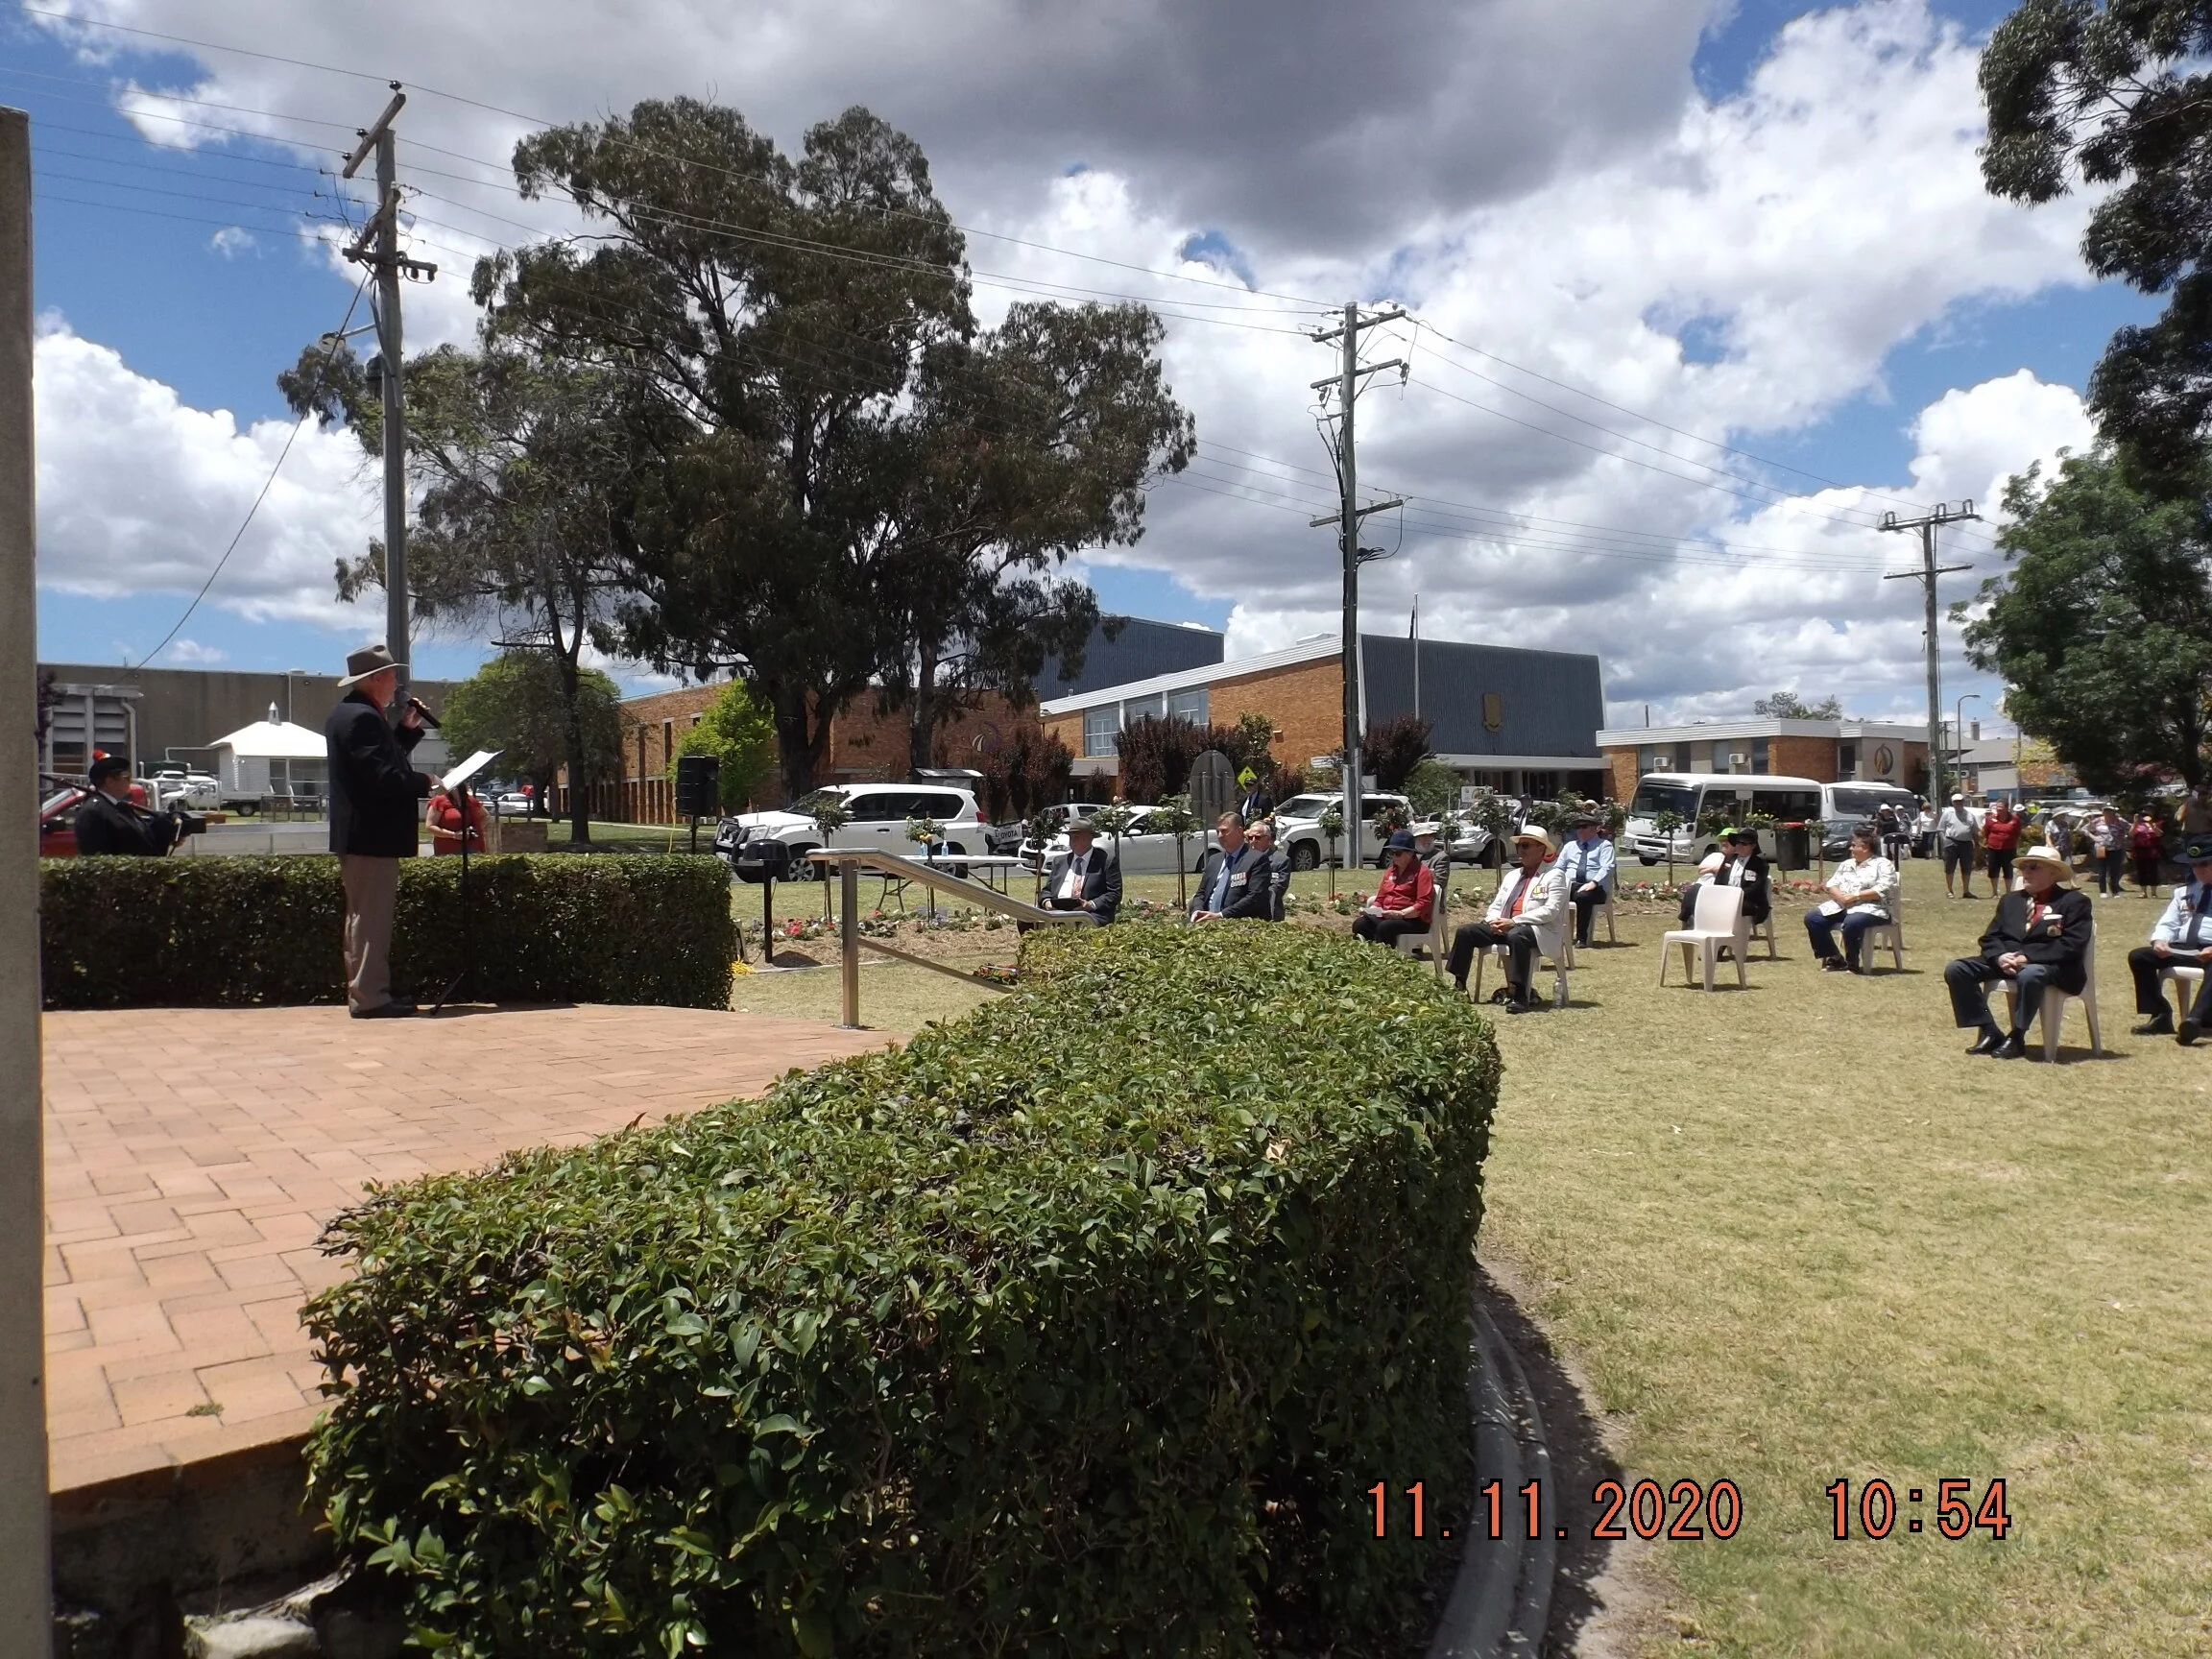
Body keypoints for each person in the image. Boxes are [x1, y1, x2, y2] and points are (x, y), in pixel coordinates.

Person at [326, 642, 437, 1019]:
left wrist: (404, 734)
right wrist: (428, 782)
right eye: (391, 675)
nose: (396, 682)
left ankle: (367, 990)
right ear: (374, 679)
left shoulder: (353, 714)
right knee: (371, 920)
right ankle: (371, 997)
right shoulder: (361, 718)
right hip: (370, 838)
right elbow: (383, 778)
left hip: (362, 838)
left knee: (363, 919)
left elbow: (379, 763)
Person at [1945, 844, 2094, 1059]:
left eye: (2033, 867)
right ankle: (1989, 1030)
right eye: (2023, 868)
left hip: (2054, 967)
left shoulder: (2074, 902)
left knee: (2031, 973)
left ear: (2053, 872)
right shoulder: (2011, 900)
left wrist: (2029, 957)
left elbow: (2072, 944)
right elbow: (1990, 937)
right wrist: (1999, 956)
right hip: (2009, 961)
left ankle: (2017, 1036)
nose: (2026, 872)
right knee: (1957, 969)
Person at [1447, 827, 1567, 1013]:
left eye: (1525, 846)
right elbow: (1497, 905)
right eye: (1519, 846)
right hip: (1506, 926)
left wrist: (1515, 921)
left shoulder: (1554, 875)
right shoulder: (1512, 875)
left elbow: (1550, 911)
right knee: (1466, 932)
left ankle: (1519, 995)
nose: (1520, 851)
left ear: (1541, 849)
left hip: (1538, 930)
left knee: (1518, 935)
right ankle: (1459, 986)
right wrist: (1493, 921)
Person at [2128, 833, 2212, 1044]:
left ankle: (2195, 1020)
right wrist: (2160, 940)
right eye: (2194, 865)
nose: (2199, 870)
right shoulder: (2184, 892)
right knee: (2140, 957)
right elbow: (2169, 922)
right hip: (2186, 948)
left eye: (2205, 864)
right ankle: (2160, 1014)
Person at [1803, 825, 1898, 974]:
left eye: (1854, 846)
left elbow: (1885, 888)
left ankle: (1852, 962)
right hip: (1843, 905)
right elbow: (1831, 884)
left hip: (1873, 909)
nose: (1850, 849)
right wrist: (1840, 896)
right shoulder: (1847, 864)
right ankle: (1835, 957)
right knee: (1813, 918)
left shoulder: (1883, 864)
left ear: (1866, 848)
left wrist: (1857, 896)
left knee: (1852, 921)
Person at [72, 755, 184, 856]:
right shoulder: (93, 812)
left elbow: (139, 836)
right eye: (126, 778)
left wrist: (167, 835)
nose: (130, 782)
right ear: (109, 781)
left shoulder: (119, 806)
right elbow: (96, 856)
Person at [1352, 830, 1435, 949]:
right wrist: (1371, 910)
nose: (1394, 857)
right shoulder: (1390, 871)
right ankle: (1365, 959)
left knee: (1386, 927)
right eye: (1391, 852)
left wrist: (1401, 914)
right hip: (1388, 915)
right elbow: (1380, 899)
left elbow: (1423, 904)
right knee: (1361, 924)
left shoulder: (1422, 872)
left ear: (1411, 853)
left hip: (1413, 920)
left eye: (1398, 853)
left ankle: (1385, 961)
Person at [1676, 826, 1769, 930]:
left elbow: (1755, 888)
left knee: (1724, 907)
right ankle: (1689, 923)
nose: (1739, 845)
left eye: (1744, 843)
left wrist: (1734, 896)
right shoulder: (1729, 859)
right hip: (1725, 899)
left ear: (1753, 845)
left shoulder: (1760, 864)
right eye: (1737, 842)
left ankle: (1720, 940)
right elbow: (1719, 880)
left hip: (1748, 902)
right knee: (1695, 891)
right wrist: (1720, 894)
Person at [1190, 811, 1271, 921]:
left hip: (1239, 925)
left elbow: (1255, 897)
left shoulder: (1257, 860)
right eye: (1218, 831)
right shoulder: (1214, 860)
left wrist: (1221, 915)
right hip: (1207, 922)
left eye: (1224, 831)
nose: (1219, 836)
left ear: (1239, 831)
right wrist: (1197, 911)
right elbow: (1201, 893)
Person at [1041, 818, 1121, 925]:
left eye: (1077, 837)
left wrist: (1091, 905)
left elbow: (1115, 893)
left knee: (1081, 926)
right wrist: (1047, 902)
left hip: (1089, 915)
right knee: (1026, 920)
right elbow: (1047, 890)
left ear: (1090, 838)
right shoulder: (1060, 861)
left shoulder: (1105, 861)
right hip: (1056, 912)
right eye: (1071, 837)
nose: (1073, 841)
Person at [1556, 812, 1616, 949]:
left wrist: (1593, 882)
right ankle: (1556, 934)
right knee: (1553, 894)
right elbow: (1559, 867)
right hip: (1571, 884)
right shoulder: (1570, 846)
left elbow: (1607, 867)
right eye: (1577, 827)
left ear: (1595, 828)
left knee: (1582, 896)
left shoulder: (1604, 846)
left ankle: (1582, 938)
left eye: (1584, 826)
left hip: (1595, 888)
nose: (1580, 830)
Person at [425, 783, 488, 856]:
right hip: (447, 849)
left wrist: (473, 830)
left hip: (472, 847)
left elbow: (485, 816)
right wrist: (454, 835)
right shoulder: (439, 801)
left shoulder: (470, 800)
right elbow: (430, 826)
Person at [1937, 793, 1980, 898]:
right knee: (1949, 867)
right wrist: (1945, 841)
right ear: (1952, 803)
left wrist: (1977, 845)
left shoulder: (1970, 815)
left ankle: (1966, 891)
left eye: (1960, 801)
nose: (1958, 803)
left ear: (1963, 802)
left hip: (1966, 843)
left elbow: (1974, 831)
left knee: (1966, 868)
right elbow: (1941, 829)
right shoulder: (1948, 813)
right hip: (1951, 842)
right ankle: (1949, 890)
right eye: (1956, 801)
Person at [1246, 817, 1289, 922]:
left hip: (1271, 914)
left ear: (1269, 840)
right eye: (1250, 838)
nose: (1253, 841)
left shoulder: (1281, 860)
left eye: (1257, 838)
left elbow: (1279, 888)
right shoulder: (1244, 860)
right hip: (1246, 913)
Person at [1981, 798, 2023, 892]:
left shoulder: (2015, 819)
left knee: (2008, 870)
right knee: (1993, 870)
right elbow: (1986, 832)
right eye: (1997, 807)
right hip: (1993, 848)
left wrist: (2011, 842)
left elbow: (2017, 833)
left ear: (2007, 808)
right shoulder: (1990, 819)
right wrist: (1990, 841)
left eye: (2001, 807)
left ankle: (2008, 891)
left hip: (2009, 849)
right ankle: (1995, 892)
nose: (1998, 809)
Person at [2087, 805, 2128, 897]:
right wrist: (2094, 837)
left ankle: (2115, 891)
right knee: (2102, 871)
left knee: (2114, 871)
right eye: (2106, 811)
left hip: (2116, 848)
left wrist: (2123, 837)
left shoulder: (2120, 821)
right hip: (2101, 848)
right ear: (2103, 812)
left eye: (2110, 811)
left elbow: (2129, 828)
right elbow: (2085, 829)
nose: (2108, 813)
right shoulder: (2097, 821)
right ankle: (2103, 891)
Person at [2129, 809, 2167, 899]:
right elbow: (2131, 834)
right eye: (2144, 814)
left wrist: (2152, 826)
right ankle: (2143, 892)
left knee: (2153, 871)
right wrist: (2135, 822)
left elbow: (2160, 834)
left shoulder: (2157, 823)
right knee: (2142, 872)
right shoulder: (2138, 824)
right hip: (2140, 851)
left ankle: (2154, 893)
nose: (2146, 816)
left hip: (2153, 851)